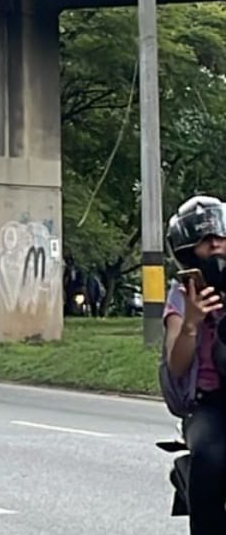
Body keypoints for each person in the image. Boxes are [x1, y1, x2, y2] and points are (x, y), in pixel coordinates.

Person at [162, 195, 226, 533]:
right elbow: (176, 364)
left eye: (219, 235)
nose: (214, 242)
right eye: (203, 238)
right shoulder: (182, 295)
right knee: (211, 460)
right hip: (212, 405)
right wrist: (191, 322)